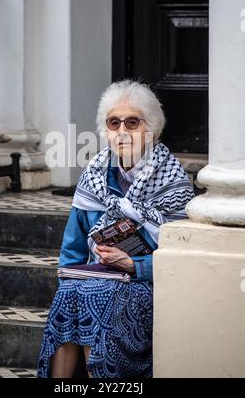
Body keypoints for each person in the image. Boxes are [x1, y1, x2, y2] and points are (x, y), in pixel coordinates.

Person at [37, 79, 195, 378]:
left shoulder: (173, 183)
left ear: (151, 129)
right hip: (97, 276)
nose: (122, 131)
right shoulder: (93, 177)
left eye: (132, 122)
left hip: (147, 285)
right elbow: (72, 249)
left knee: (98, 294)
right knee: (70, 294)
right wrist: (71, 280)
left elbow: (182, 257)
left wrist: (133, 266)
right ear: (105, 131)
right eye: (113, 123)